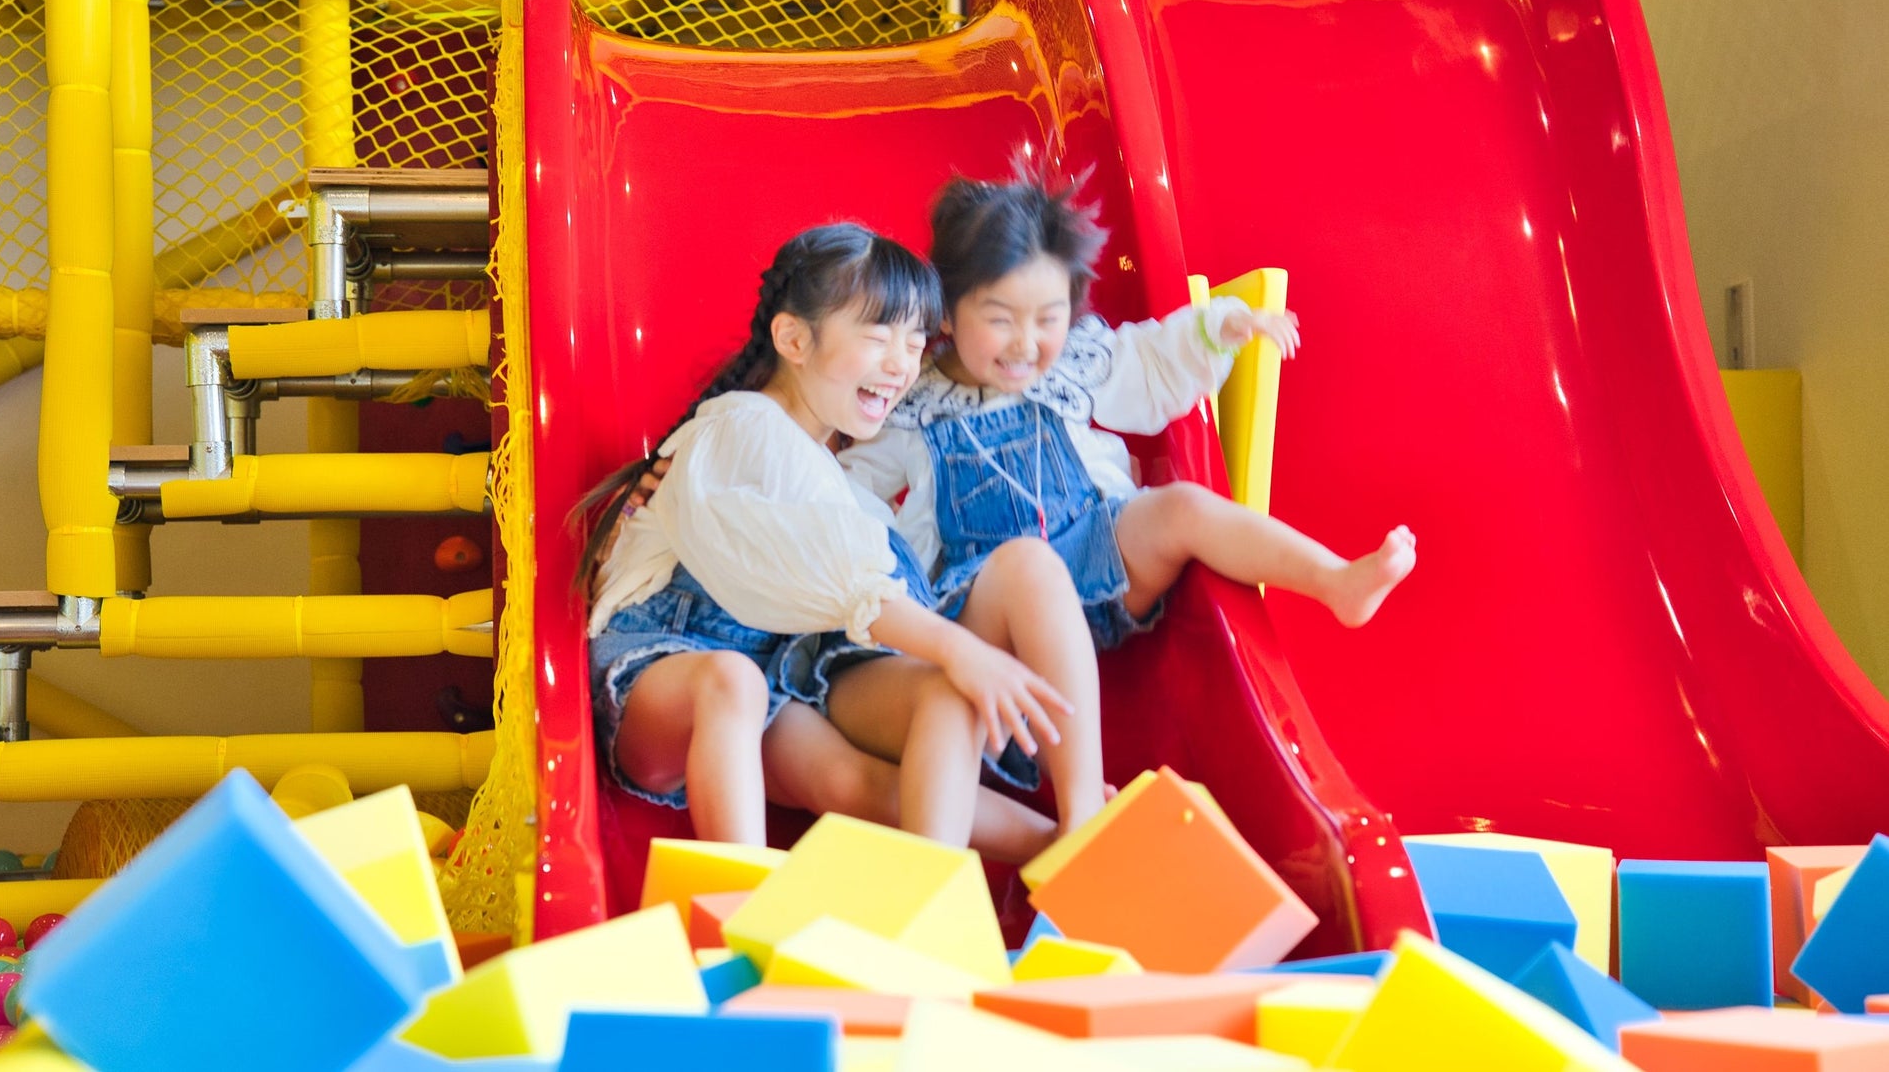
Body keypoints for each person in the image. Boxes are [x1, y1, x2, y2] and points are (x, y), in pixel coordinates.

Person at [578, 222, 1105, 855]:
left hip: (777, 676)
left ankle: (1056, 848)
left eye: (915, 342)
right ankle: (737, 907)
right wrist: (960, 648)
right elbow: (838, 577)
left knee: (869, 756)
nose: (902, 364)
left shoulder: (837, 476)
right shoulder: (745, 427)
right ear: (794, 338)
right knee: (736, 682)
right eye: (879, 336)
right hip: (673, 665)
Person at [841, 174, 1417, 666]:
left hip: (1101, 564)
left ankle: (1337, 581)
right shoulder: (913, 402)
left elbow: (1147, 364)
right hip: (995, 611)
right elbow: (850, 490)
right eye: (1000, 319)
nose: (1026, 342)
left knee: (1183, 506)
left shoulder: (1071, 363)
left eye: (1048, 317)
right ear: (946, 309)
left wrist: (1219, 329)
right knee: (993, 603)